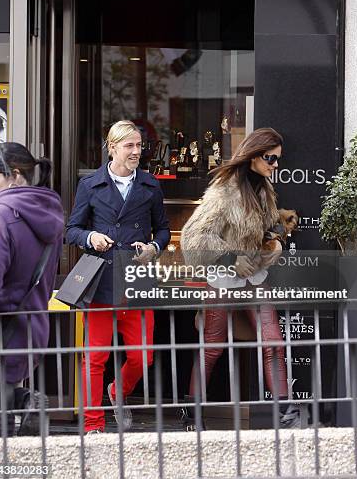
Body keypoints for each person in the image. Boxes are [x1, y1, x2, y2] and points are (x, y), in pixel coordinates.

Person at [180, 127, 301, 429]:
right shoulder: (224, 191)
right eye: (271, 159)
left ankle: (287, 411)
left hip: (256, 279)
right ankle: (192, 411)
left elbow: (269, 228)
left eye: (278, 160)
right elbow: (193, 237)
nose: (276, 166)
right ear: (253, 156)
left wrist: (275, 240)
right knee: (213, 347)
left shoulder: (264, 189)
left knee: (273, 342)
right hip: (223, 278)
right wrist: (232, 258)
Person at [66, 120, 170, 434]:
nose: (137, 151)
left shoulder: (150, 185)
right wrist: (90, 238)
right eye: (130, 146)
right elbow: (71, 230)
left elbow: (163, 229)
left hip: (138, 279)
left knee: (143, 358)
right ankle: (93, 425)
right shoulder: (90, 185)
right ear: (113, 148)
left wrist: (154, 247)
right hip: (101, 281)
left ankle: (118, 391)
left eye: (139, 145)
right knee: (94, 358)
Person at [0, 143, 64, 437]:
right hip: (30, 330)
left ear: (14, 174)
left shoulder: (0, 215)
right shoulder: (49, 211)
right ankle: (26, 401)